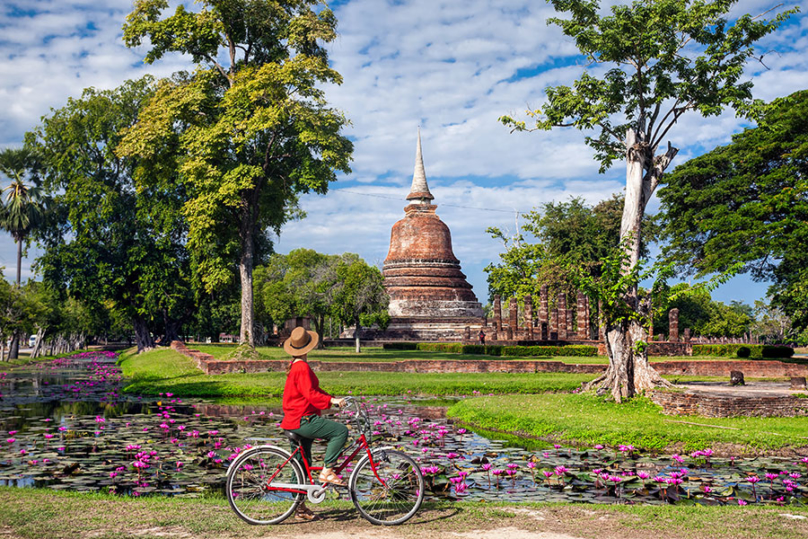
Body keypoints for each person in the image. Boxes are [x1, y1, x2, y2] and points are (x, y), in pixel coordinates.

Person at [280, 326, 348, 521]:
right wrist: (330, 402)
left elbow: (313, 390)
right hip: (302, 419)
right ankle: (327, 471)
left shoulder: (296, 365)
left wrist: (331, 398)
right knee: (340, 431)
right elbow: (310, 394)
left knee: (301, 463)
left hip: (294, 419)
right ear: (307, 347)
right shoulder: (301, 367)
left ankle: (299, 508)